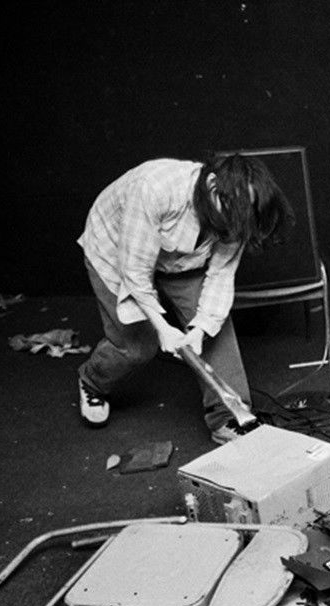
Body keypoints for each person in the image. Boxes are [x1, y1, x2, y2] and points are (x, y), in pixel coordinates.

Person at [75, 154, 292, 444]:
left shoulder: (238, 212)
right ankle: (92, 381)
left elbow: (221, 276)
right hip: (117, 249)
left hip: (181, 260)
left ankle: (228, 415)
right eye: (234, 212)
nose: (236, 223)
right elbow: (135, 272)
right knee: (137, 346)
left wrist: (199, 330)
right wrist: (163, 329)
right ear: (212, 185)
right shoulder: (154, 188)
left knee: (214, 331)